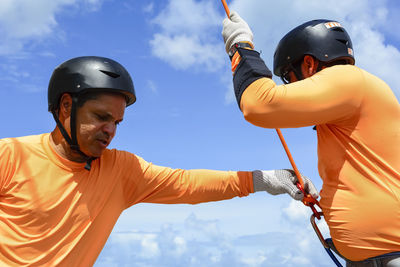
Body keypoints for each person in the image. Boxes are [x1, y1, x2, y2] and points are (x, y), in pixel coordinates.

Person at [0, 56, 318, 266]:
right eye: (101, 117)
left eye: (117, 123)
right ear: (66, 106)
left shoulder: (121, 171)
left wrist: (265, 179)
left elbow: (187, 184)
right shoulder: (9, 156)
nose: (110, 130)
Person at [222, 11, 400, 266]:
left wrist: (240, 45)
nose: (290, 85)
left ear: (308, 64)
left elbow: (257, 105)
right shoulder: (351, 96)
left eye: (288, 77)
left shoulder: (347, 79)